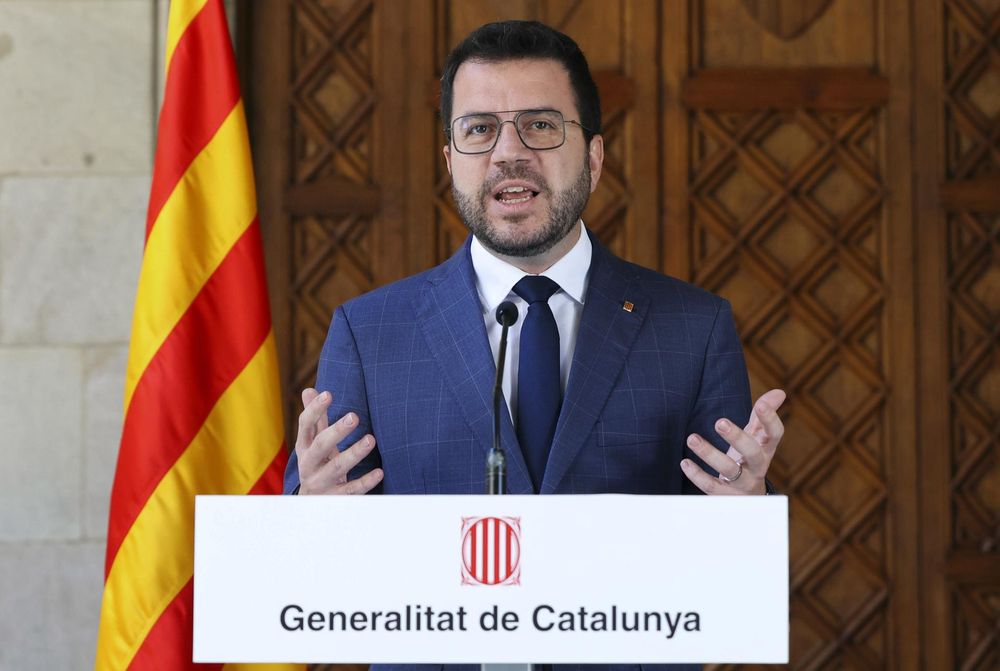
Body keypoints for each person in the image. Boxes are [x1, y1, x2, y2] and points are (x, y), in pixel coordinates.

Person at [284, 20, 784, 502]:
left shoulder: (694, 330)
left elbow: (727, 543)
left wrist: (749, 504)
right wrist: (310, 507)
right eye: (479, 129)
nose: (507, 153)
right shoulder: (368, 334)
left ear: (593, 159)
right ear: (450, 162)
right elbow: (320, 555)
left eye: (540, 125)